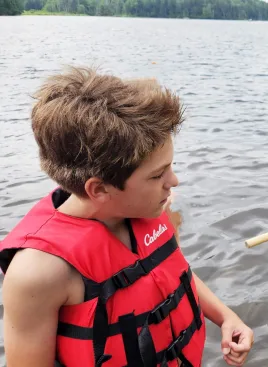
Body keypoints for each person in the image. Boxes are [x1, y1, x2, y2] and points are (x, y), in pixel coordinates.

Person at [0, 67, 254, 366]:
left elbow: (169, 269)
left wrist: (226, 316)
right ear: (100, 189)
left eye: (169, 167)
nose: (174, 182)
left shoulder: (153, 208)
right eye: (158, 174)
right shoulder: (38, 273)